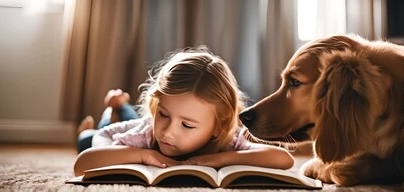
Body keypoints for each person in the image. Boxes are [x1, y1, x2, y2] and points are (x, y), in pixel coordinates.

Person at [74, 46, 294, 176]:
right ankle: (114, 109)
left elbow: (284, 159)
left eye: (187, 125)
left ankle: (122, 106)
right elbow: (84, 163)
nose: (167, 133)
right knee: (88, 138)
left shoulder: (228, 139)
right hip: (111, 133)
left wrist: (220, 159)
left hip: (141, 123)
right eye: (163, 114)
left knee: (135, 116)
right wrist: (144, 154)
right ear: (156, 105)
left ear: (218, 127)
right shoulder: (145, 133)